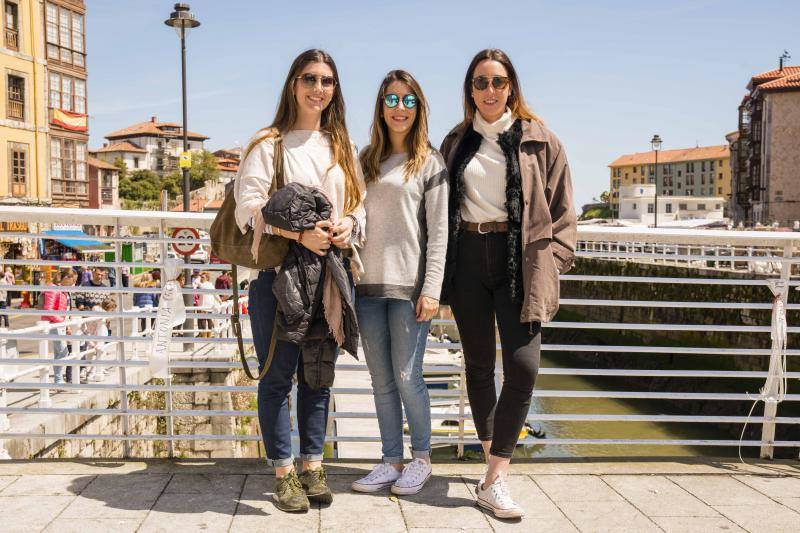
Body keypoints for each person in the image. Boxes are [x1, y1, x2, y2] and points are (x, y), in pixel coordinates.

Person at [439, 49, 577, 518]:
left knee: (524, 368)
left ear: (512, 86)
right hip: (468, 260)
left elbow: (564, 214)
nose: (490, 90)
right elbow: (436, 211)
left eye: (498, 81)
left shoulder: (542, 140)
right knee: (479, 366)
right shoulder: (455, 142)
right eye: (480, 82)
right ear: (470, 90)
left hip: (524, 263)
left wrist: (552, 262)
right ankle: (493, 474)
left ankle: (494, 476)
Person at [234, 48, 365, 513]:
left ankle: (313, 465)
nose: (318, 88)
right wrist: (297, 233)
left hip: (328, 277)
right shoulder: (267, 144)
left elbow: (358, 204)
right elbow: (246, 209)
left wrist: (350, 223)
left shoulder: (341, 146)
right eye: (310, 78)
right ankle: (284, 473)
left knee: (318, 378)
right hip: (276, 279)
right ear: (293, 84)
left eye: (327, 80)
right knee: (276, 379)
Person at [350, 70, 447, 496]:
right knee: (381, 379)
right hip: (368, 287)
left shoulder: (430, 161)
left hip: (410, 289)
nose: (400, 108)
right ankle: (391, 460)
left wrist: (432, 288)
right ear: (381, 106)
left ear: (419, 108)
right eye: (392, 99)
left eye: (409, 101)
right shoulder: (365, 159)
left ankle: (421, 459)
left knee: (409, 376)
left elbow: (440, 232)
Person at [41, 270, 76, 386]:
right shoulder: (53, 289)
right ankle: (58, 379)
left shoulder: (64, 291)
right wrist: (62, 321)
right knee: (63, 351)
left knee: (59, 352)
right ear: (66, 278)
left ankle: (58, 380)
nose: (74, 283)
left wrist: (66, 324)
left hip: (59, 324)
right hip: (53, 324)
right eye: (73, 280)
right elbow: (48, 309)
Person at [82, 298, 116, 382]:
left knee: (98, 353)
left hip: (96, 336)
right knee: (92, 354)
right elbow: (107, 317)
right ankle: (90, 373)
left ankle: (95, 371)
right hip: (94, 336)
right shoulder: (100, 313)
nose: (112, 312)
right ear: (107, 308)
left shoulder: (100, 312)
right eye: (112, 310)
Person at [196, 271, 219, 338]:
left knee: (203, 320)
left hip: (205, 304)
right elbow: (215, 293)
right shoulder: (210, 284)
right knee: (208, 319)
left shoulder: (204, 284)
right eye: (201, 277)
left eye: (203, 277)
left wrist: (198, 277)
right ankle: (208, 334)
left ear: (207, 278)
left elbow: (200, 284)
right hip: (209, 304)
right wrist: (219, 300)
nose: (201, 278)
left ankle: (204, 335)